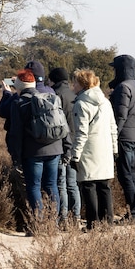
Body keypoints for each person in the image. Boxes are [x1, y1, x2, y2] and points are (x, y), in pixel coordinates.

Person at [0, 69, 66, 227]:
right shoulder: (52, 97)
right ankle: (53, 224)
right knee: (51, 185)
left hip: (33, 152)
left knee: (34, 186)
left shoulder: (19, 103)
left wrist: (15, 156)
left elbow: (16, 133)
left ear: (19, 86)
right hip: (55, 149)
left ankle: (37, 224)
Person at [67, 69, 118, 230]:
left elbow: (81, 133)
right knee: (104, 186)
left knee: (88, 186)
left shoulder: (81, 104)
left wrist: (75, 156)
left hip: (89, 150)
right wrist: (114, 148)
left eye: (74, 82)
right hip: (105, 149)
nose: (72, 85)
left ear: (82, 84)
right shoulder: (105, 102)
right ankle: (107, 222)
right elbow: (112, 127)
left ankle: (93, 223)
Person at [109, 54, 135, 224]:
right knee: (131, 174)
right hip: (133, 136)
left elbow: (120, 116)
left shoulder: (123, 88)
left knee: (126, 175)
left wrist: (113, 137)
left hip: (124, 137)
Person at [50, 67, 80, 222]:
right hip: (76, 142)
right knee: (72, 184)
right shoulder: (74, 94)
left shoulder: (56, 95)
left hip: (62, 142)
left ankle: (63, 218)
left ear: (53, 79)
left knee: (61, 183)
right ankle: (75, 217)